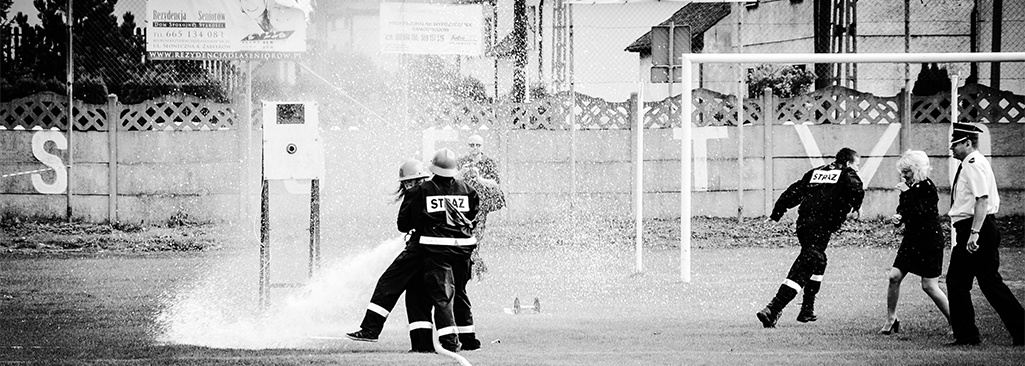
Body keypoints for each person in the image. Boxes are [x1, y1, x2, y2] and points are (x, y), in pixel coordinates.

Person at [757, 147, 865, 328]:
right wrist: (856, 206)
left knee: (819, 259)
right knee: (810, 261)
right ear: (848, 163)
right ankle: (773, 308)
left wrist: (777, 213)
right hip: (821, 226)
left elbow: (795, 190)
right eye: (856, 165)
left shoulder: (817, 172)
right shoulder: (847, 173)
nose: (857, 169)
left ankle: (807, 309)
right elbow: (856, 187)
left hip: (804, 224)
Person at [945, 122, 1024, 346]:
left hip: (975, 227)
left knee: (958, 281)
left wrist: (974, 234)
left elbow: (982, 199)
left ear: (967, 143)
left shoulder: (971, 163)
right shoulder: (975, 162)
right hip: (980, 227)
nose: (952, 149)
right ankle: (1020, 330)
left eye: (955, 144)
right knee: (989, 282)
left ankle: (967, 335)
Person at [396, 148, 480, 352]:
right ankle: (469, 341)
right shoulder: (468, 190)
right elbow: (473, 220)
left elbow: (406, 223)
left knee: (440, 295)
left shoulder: (423, 190)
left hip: (436, 252)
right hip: (463, 252)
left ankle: (448, 342)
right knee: (459, 293)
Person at [879, 150, 950, 335]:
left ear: (917, 169)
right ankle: (891, 319)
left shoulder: (928, 187)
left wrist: (908, 192)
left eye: (907, 171)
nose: (903, 175)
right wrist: (898, 217)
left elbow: (922, 211)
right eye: (902, 171)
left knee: (929, 285)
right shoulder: (908, 187)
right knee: (894, 277)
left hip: (929, 240)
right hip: (912, 239)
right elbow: (905, 209)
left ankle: (957, 322)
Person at [457, 135, 505, 278]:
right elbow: (451, 180)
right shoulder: (462, 162)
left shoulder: (488, 162)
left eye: (478, 145)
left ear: (482, 146)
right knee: (463, 237)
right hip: (463, 206)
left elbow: (495, 183)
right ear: (467, 146)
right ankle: (474, 266)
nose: (475, 148)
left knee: (475, 238)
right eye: (472, 145)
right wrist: (462, 173)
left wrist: (479, 178)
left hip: (480, 206)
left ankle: (473, 267)